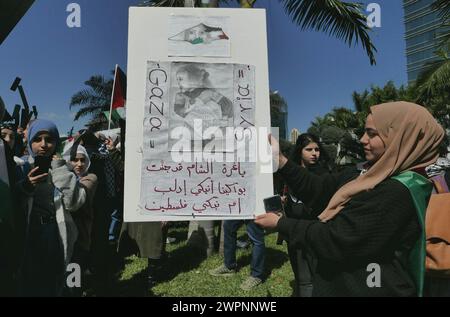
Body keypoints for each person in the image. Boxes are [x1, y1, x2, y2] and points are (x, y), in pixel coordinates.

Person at [256, 101, 445, 297]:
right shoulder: (365, 174)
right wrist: (281, 161)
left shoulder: (397, 190)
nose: (363, 139)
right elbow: (318, 189)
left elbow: (336, 239)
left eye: (372, 134)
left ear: (401, 137)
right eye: (364, 132)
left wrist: (281, 224)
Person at [17, 119, 86, 296]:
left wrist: (60, 171)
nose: (44, 145)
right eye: (37, 139)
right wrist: (25, 187)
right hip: (30, 238)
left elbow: (74, 203)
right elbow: (11, 203)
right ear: (29, 141)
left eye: (49, 139)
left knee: (65, 284)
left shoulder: (66, 169)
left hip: (59, 235)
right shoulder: (20, 167)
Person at [282, 133, 329, 297]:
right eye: (309, 149)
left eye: (317, 149)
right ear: (300, 151)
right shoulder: (290, 173)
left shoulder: (325, 175)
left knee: (311, 278)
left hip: (315, 233)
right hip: (293, 232)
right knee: (300, 274)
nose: (314, 153)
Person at [66, 144, 98, 295]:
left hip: (80, 235)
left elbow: (76, 197)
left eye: (82, 160)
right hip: (64, 233)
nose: (79, 164)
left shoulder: (90, 178)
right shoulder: (64, 176)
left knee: (75, 270)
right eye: (74, 160)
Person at [173, 64, 233, 135]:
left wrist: (224, 119)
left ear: (193, 78)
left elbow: (227, 104)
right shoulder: (181, 96)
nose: (178, 83)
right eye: (177, 80)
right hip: (194, 130)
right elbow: (177, 110)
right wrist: (185, 110)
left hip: (213, 128)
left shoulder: (208, 93)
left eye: (181, 79)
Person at [209, 219, 266, 291]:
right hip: (240, 208)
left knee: (256, 237)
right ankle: (229, 266)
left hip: (254, 209)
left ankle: (257, 275)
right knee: (228, 227)